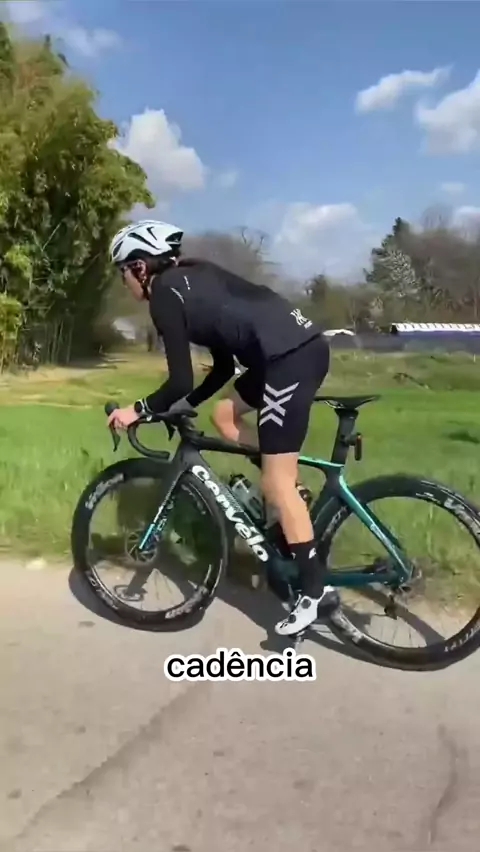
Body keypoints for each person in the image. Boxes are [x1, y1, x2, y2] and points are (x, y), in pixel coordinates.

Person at [107, 219, 340, 636]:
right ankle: (292, 498)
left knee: (276, 482)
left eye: (122, 270)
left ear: (140, 267)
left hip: (287, 359)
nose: (123, 281)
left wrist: (137, 410)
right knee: (225, 417)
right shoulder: (193, 279)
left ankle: (314, 592)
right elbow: (220, 370)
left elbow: (179, 380)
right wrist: (185, 407)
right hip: (291, 351)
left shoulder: (165, 294)